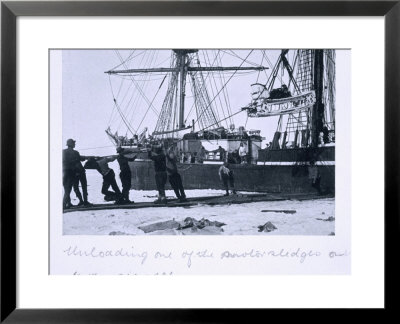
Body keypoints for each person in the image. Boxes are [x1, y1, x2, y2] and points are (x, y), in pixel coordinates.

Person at [62, 139, 90, 209]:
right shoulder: (75, 152)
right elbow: (79, 159)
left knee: (68, 189)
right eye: (74, 143)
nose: (75, 144)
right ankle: (85, 202)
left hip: (66, 172)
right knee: (83, 186)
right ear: (71, 144)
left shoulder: (63, 152)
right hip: (76, 172)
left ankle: (67, 203)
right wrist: (86, 158)